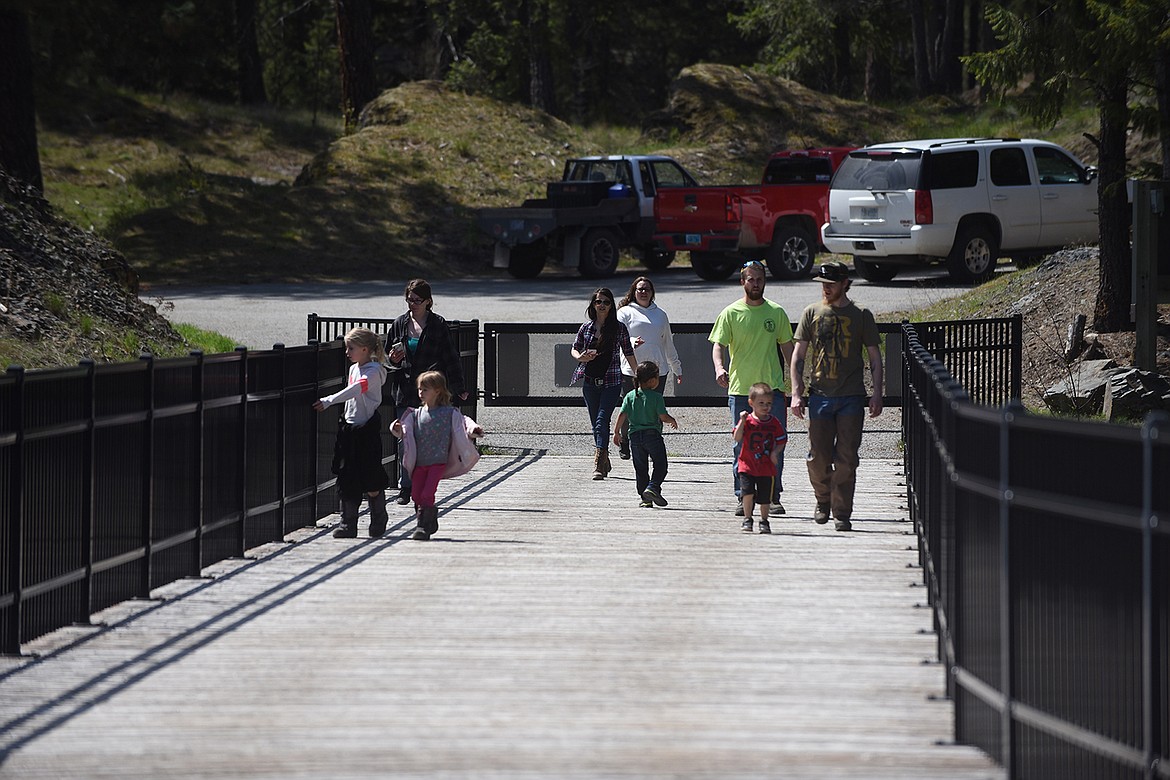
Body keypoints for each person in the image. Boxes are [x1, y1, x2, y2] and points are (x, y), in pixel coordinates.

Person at [790, 261, 884, 532]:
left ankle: (842, 512)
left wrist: (877, 393)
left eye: (830, 283)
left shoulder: (861, 314)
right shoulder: (811, 312)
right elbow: (798, 356)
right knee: (817, 456)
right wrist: (796, 393)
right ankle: (822, 500)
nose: (826, 288)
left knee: (847, 457)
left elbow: (875, 358)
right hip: (819, 395)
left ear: (845, 283)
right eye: (822, 284)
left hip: (852, 397)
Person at [709, 260, 795, 517]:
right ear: (742, 282)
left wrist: (797, 380)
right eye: (751, 279)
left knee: (775, 444)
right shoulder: (730, 313)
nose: (755, 283)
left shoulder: (776, 312)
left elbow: (787, 348)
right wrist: (719, 368)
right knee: (742, 446)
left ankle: (773, 496)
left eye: (759, 279)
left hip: (772, 391)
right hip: (740, 391)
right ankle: (743, 495)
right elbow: (718, 345)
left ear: (764, 281)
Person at [386, 279, 468, 507]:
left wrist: (459, 387)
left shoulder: (438, 324)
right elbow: (385, 358)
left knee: (426, 442)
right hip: (405, 390)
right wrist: (393, 360)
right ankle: (406, 487)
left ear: (428, 301)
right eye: (409, 300)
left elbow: (451, 357)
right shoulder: (399, 324)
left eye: (417, 300)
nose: (412, 304)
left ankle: (423, 486)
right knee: (405, 440)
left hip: (430, 392)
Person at [313, 327, 391, 539]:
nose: (347, 352)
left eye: (351, 348)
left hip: (367, 431)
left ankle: (378, 515)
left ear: (365, 349)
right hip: (349, 428)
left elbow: (357, 389)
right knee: (347, 476)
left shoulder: (374, 371)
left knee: (370, 476)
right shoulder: (354, 368)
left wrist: (329, 400)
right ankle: (348, 522)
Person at [390, 370, 484, 540]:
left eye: (425, 389)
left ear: (438, 391)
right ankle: (430, 515)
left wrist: (473, 430)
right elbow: (404, 431)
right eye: (420, 389)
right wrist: (396, 429)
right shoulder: (415, 414)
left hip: (438, 461)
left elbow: (464, 422)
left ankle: (423, 526)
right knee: (416, 495)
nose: (421, 392)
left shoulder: (449, 413)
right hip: (420, 461)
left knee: (427, 493)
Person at [571, 287, 638, 480]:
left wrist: (638, 376)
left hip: (611, 381)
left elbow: (629, 353)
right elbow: (574, 349)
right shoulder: (586, 328)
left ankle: (599, 462)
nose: (602, 305)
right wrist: (580, 357)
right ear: (593, 304)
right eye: (598, 302)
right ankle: (604, 456)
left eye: (606, 302)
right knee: (595, 424)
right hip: (590, 381)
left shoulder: (618, 328)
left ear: (611, 306)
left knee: (602, 420)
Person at [615, 276, 683, 459]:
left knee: (654, 409)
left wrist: (677, 368)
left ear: (652, 293)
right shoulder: (624, 312)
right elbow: (615, 336)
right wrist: (631, 341)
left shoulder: (660, 314)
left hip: (657, 371)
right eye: (640, 289)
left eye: (646, 289)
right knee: (630, 407)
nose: (643, 292)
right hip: (632, 370)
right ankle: (625, 442)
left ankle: (654, 444)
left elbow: (668, 342)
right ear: (633, 292)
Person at [612, 360, 679, 508]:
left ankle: (645, 498)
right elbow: (662, 417)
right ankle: (653, 487)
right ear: (652, 380)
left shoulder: (630, 396)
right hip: (652, 436)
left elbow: (622, 414)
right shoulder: (656, 397)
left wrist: (616, 432)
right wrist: (672, 420)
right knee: (660, 464)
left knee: (640, 468)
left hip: (634, 437)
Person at [732, 382, 788, 534]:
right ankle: (748, 518)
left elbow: (782, 439)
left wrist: (775, 452)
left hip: (766, 467)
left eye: (768, 404)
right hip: (747, 465)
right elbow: (737, 438)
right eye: (761, 403)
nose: (765, 407)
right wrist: (742, 422)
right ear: (751, 403)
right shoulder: (748, 421)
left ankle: (764, 520)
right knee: (748, 493)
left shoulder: (773, 422)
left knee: (764, 497)